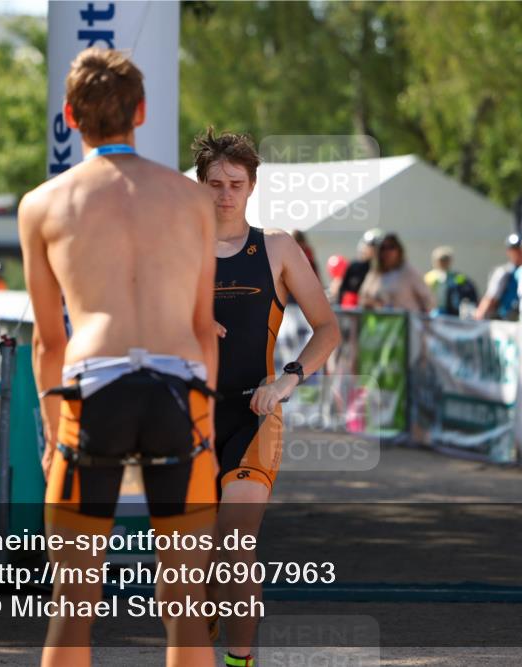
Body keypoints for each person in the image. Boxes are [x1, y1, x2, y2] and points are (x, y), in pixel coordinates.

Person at [20, 48, 220, 667]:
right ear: (141, 111)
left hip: (93, 387)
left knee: (71, 607)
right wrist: (205, 426)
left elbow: (48, 339)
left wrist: (55, 435)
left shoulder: (43, 204)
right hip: (178, 388)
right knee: (186, 608)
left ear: (69, 116)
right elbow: (202, 327)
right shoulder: (192, 201)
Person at [192, 128, 340, 667]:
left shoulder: (276, 247)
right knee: (195, 561)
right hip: (190, 418)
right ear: (200, 186)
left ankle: (240, 662)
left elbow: (327, 328)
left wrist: (286, 381)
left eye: (235, 183)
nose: (225, 194)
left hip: (253, 414)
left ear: (252, 186)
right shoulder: (178, 251)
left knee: (234, 548)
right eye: (214, 183)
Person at [358, 232, 433, 312]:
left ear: (399, 250)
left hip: (405, 321)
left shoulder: (408, 272)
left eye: (391, 247)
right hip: (380, 321)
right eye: (383, 248)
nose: (387, 252)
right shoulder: (375, 273)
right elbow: (364, 296)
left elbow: (427, 301)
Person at [474, 233, 522, 320]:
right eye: (513, 249)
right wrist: (480, 315)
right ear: (508, 252)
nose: (517, 252)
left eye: (519, 249)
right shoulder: (504, 272)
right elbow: (490, 297)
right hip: (506, 321)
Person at [337, 228, 383, 307]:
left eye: (374, 245)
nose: (370, 248)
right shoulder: (355, 267)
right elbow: (343, 291)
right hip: (354, 313)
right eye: (369, 244)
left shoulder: (386, 270)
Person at [430, 246, 479, 318]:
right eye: (441, 260)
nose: (444, 262)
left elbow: (470, 290)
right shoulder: (430, 277)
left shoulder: (458, 277)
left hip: (453, 312)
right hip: (434, 311)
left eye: (446, 259)